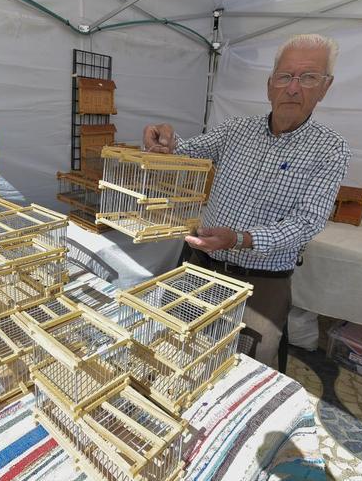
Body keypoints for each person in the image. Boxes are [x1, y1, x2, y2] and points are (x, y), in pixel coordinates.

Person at [143, 33, 350, 371]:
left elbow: (308, 222)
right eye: (284, 76)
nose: (293, 88)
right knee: (175, 343)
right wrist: (165, 139)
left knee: (241, 366)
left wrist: (241, 239)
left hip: (262, 283)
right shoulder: (238, 129)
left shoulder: (330, 149)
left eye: (308, 77)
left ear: (325, 87)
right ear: (270, 85)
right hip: (202, 262)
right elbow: (188, 150)